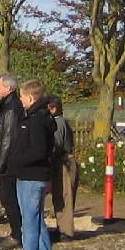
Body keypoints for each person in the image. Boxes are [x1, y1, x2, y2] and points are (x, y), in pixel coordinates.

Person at [7, 79, 56, 250]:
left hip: (31, 177)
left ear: (30, 97)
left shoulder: (35, 120)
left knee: (29, 224)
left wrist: (16, 161)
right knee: (37, 222)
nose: (20, 100)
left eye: (21, 97)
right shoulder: (38, 117)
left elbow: (38, 150)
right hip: (34, 176)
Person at [0, 72, 24, 250]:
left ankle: (17, 234)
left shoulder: (11, 109)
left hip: (9, 164)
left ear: (8, 88)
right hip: (9, 162)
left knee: (9, 198)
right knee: (9, 198)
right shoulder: (8, 106)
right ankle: (18, 232)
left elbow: (8, 138)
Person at [46, 95, 79, 241]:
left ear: (53, 108)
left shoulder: (58, 123)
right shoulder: (61, 122)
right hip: (62, 162)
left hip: (64, 163)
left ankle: (66, 231)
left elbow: (57, 145)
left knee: (64, 196)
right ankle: (61, 228)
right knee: (59, 196)